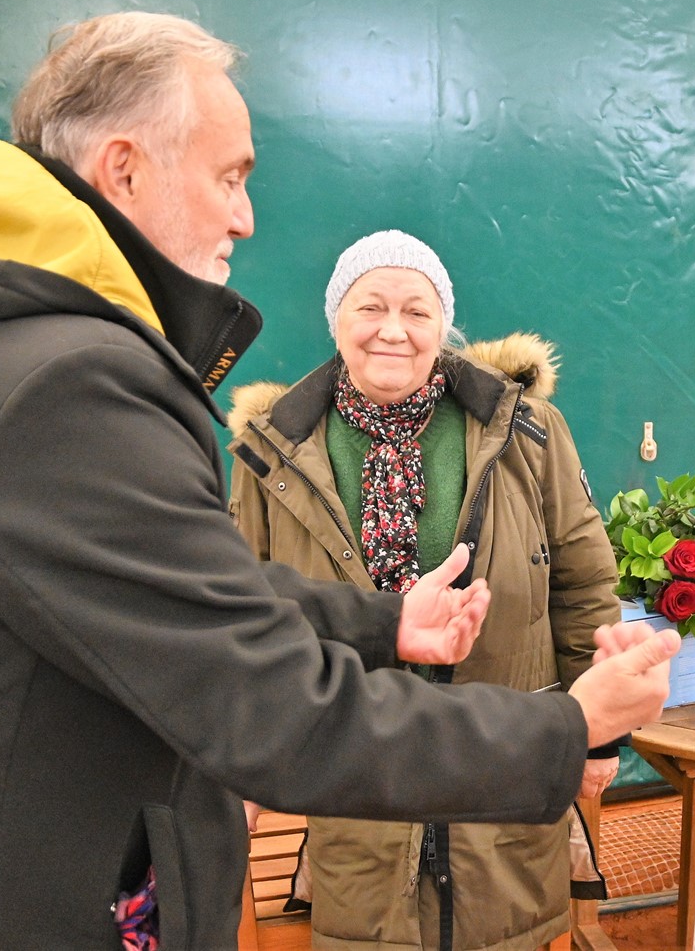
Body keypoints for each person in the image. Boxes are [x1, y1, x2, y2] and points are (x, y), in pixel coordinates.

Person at [0, 12, 679, 950]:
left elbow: (185, 588)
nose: (245, 216)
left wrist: (382, 622)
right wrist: (565, 730)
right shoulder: (66, 381)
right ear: (125, 170)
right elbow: (275, 706)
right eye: (229, 177)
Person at [227, 230, 621, 950]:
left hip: (504, 752)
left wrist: (597, 736)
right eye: (369, 306)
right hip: (355, 771)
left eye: (417, 310)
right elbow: (245, 610)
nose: (393, 330)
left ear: (444, 325)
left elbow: (583, 576)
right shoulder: (272, 451)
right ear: (335, 320)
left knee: (509, 932)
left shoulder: (527, 431)